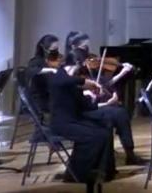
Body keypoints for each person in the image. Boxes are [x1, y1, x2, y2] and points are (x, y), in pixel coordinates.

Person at [47, 48, 115, 189]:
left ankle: (102, 171)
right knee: (94, 137)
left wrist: (99, 100)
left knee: (104, 132)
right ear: (78, 63)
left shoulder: (71, 81)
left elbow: (84, 105)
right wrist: (86, 82)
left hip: (74, 119)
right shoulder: (59, 77)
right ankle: (75, 174)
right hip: (62, 123)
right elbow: (63, 82)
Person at [26, 34, 61, 116]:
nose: (56, 52)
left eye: (57, 49)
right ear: (43, 48)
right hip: (42, 99)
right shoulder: (35, 61)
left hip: (52, 96)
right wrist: (51, 70)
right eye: (53, 50)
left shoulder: (54, 61)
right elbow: (32, 71)